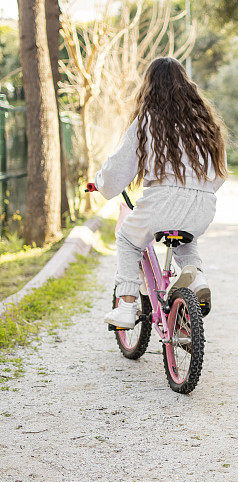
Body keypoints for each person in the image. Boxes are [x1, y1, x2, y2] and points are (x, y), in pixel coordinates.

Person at [88, 56, 227, 329]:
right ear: (186, 84)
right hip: (203, 205)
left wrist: (101, 183)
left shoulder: (147, 120)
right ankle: (197, 278)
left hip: (163, 202)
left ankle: (127, 305)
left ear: (149, 86)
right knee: (187, 240)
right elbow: (219, 173)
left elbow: (117, 170)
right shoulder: (204, 122)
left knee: (128, 239)